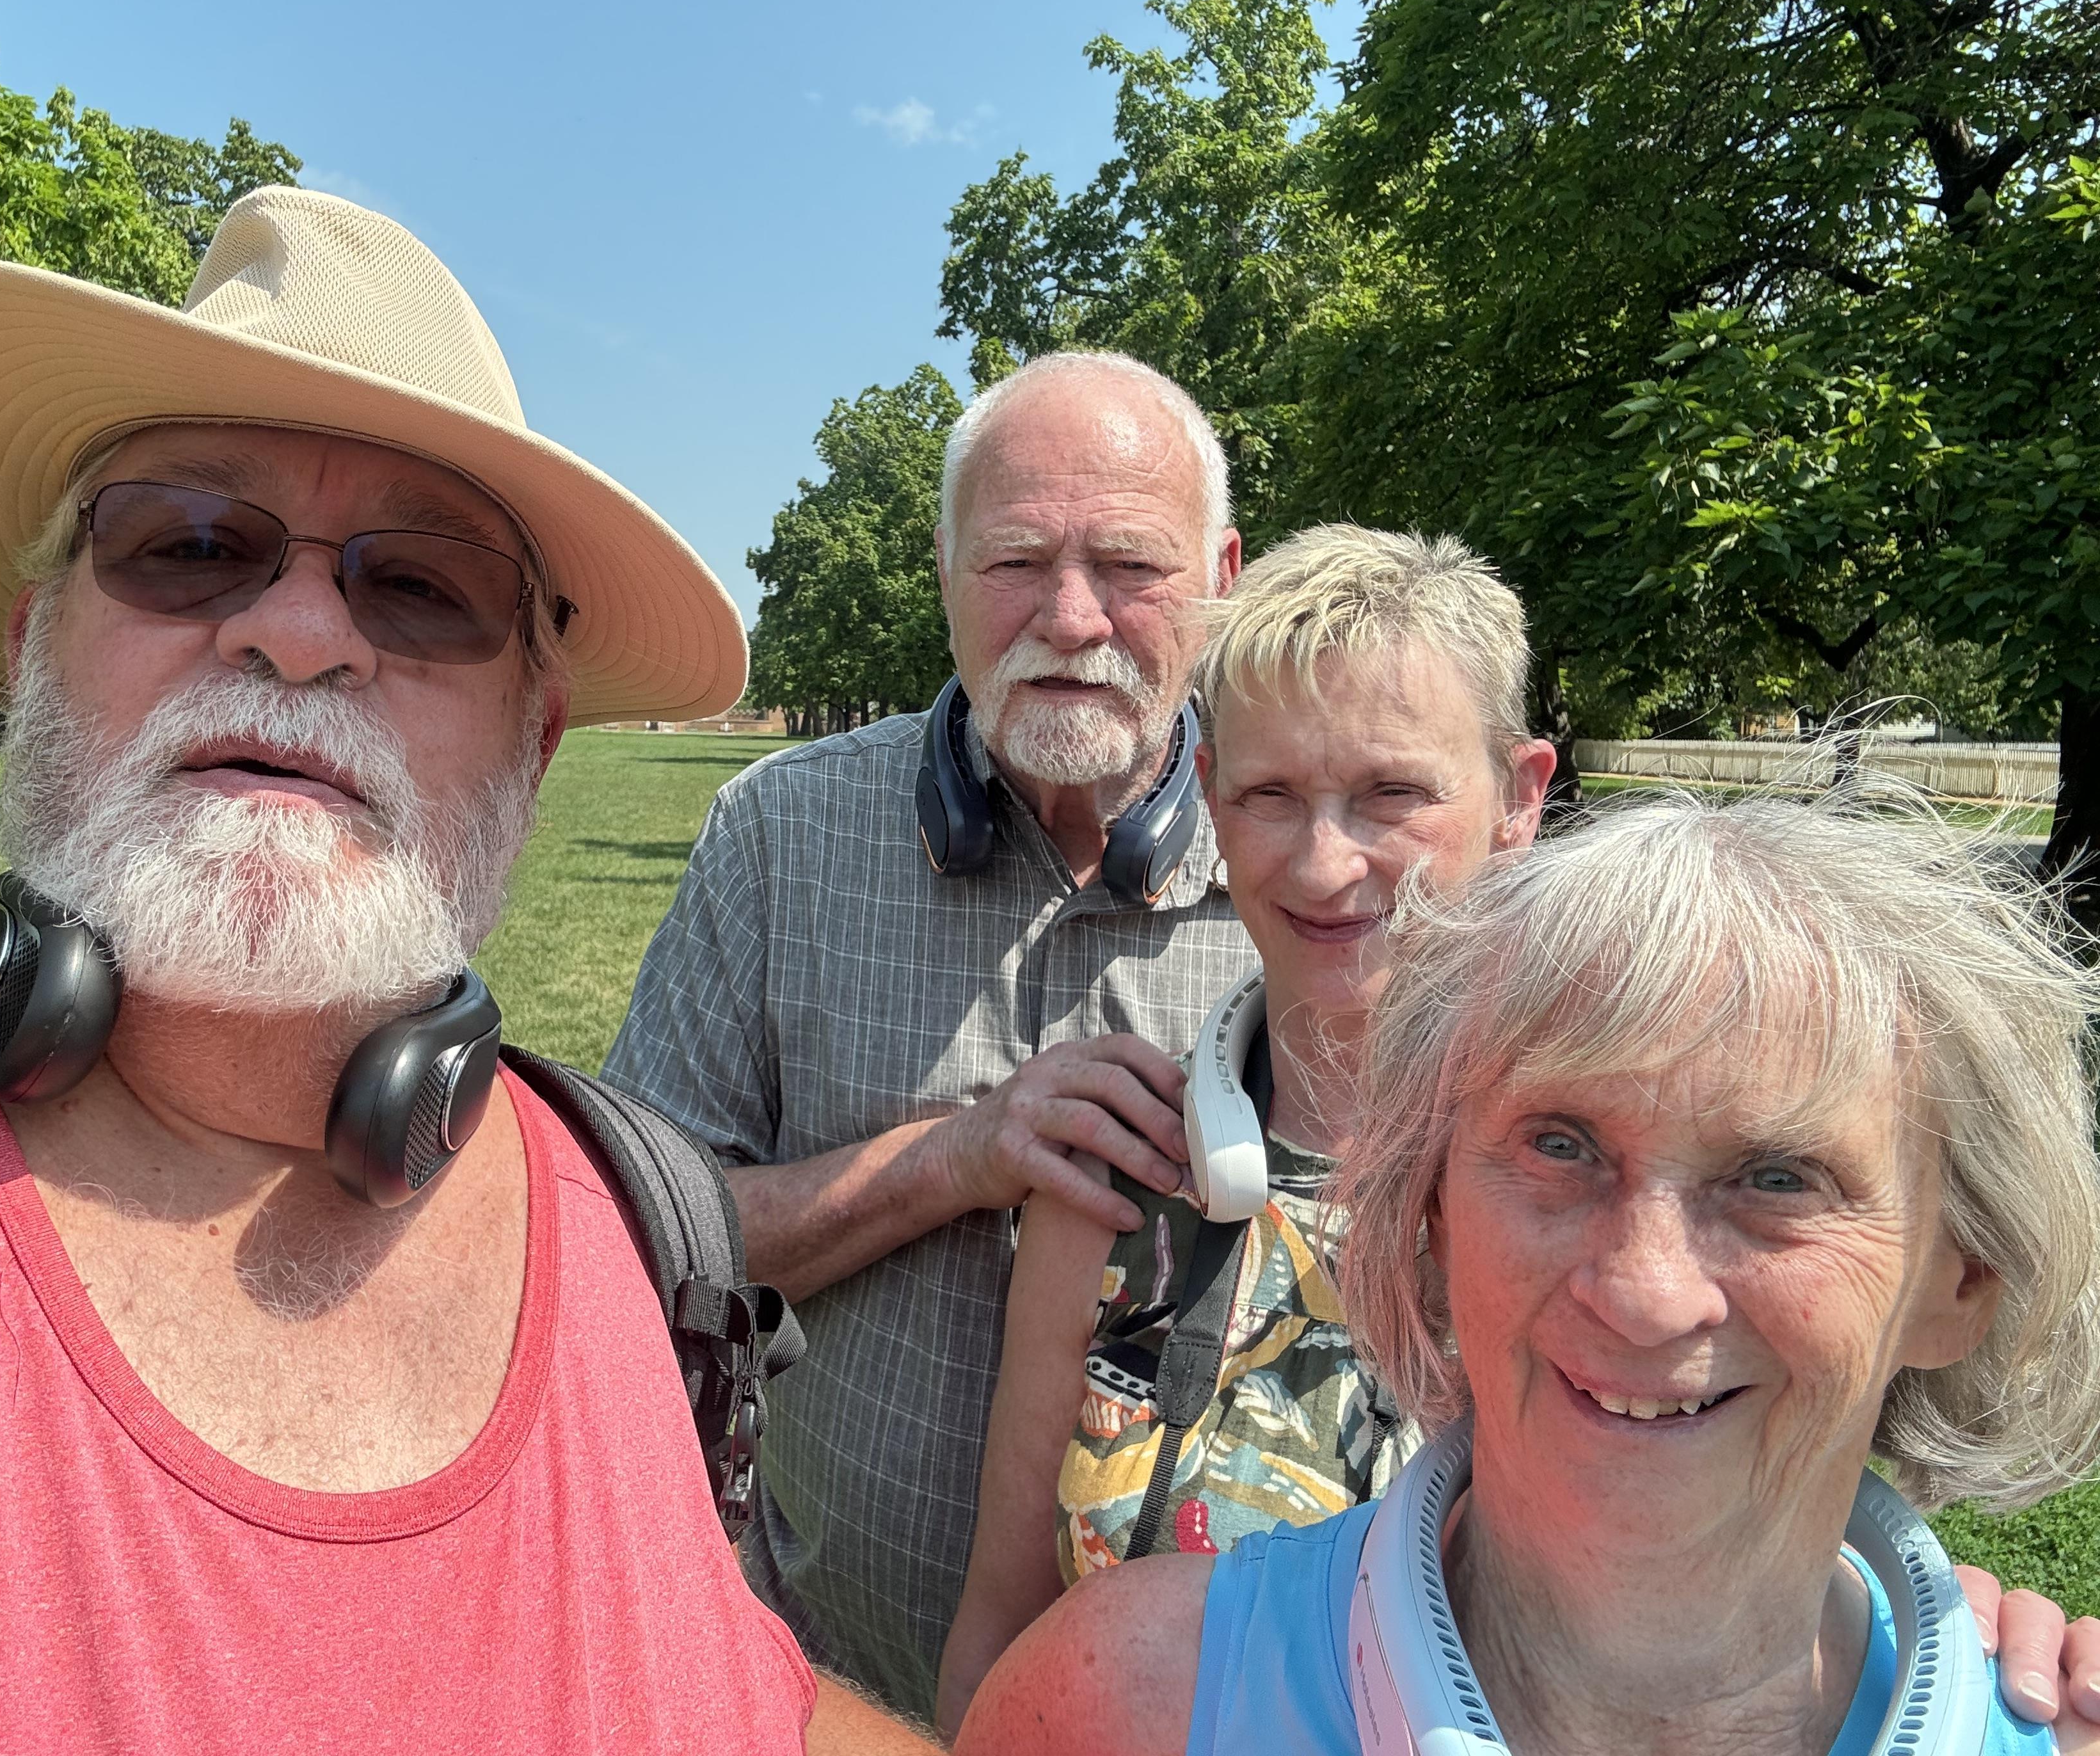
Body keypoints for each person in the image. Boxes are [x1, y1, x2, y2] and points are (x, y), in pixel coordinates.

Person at [0, 188, 927, 1755]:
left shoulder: (652, 1231)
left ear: (532, 746)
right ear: (34, 651)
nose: (301, 633)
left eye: (421, 586)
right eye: (190, 544)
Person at [959, 786, 2100, 1754]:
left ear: (1963, 1280)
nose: (1645, 1293)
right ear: (1435, 1216)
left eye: (1779, 1179)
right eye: (1561, 1147)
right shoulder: (1131, 1700)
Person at [606, 349, 1259, 1715]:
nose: (1071, 617)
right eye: (1016, 561)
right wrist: (957, 1158)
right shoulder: (782, 833)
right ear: (948, 572)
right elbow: (634, 1245)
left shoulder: (1315, 876)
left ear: (1222, 577)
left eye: (1130, 566)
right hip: (822, 1685)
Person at [937, 525, 1557, 1731]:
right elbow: (1000, 1649)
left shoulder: (1608, 1207)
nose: (1324, 868)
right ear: (1213, 798)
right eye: (1272, 796)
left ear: (1520, 797)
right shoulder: (1118, 1175)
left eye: (1392, 795)